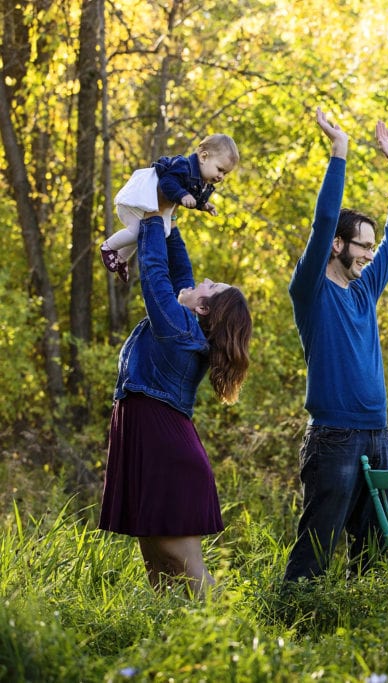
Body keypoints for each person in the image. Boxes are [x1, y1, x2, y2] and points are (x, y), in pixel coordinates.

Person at [282, 107, 388, 582]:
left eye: (370, 247)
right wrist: (341, 151)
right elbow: (322, 222)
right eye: (362, 245)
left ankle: (361, 631)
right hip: (333, 437)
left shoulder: (365, 288)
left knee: (375, 553)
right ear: (338, 246)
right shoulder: (311, 289)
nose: (370, 253)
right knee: (317, 549)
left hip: (378, 434)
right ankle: (292, 623)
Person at [99, 212, 252, 598]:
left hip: (166, 449)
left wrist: (151, 222)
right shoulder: (186, 321)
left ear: (204, 309)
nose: (202, 280)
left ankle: (234, 634)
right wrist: (168, 219)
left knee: (182, 562)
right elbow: (180, 270)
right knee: (154, 555)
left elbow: (155, 275)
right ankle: (171, 639)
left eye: (211, 285)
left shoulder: (179, 328)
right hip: (150, 438)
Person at [101, 134, 240, 282]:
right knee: (137, 231)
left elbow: (194, 198)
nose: (221, 177)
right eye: (220, 169)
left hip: (147, 205)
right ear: (204, 157)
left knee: (141, 232)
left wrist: (203, 205)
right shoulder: (183, 166)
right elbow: (167, 183)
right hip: (136, 199)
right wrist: (182, 195)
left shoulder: (201, 180)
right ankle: (108, 247)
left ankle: (121, 258)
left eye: (225, 173)